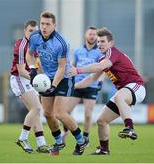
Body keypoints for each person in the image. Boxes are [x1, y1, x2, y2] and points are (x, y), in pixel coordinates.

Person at [69, 27, 146, 155]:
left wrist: (78, 70)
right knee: (101, 121)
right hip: (124, 91)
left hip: (136, 87)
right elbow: (91, 79)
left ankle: (129, 128)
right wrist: (73, 87)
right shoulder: (103, 59)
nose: (99, 44)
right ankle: (104, 150)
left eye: (103, 41)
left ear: (111, 43)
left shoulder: (112, 52)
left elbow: (99, 67)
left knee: (118, 97)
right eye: (98, 42)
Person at [26, 11, 88, 155]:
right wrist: (33, 69)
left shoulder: (62, 43)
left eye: (48, 24)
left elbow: (61, 67)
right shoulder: (35, 37)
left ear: (54, 25)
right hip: (47, 78)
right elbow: (30, 54)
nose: (44, 27)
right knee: (47, 113)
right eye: (42, 23)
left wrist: (53, 86)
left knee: (60, 113)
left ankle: (81, 141)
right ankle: (59, 143)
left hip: (64, 78)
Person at [10, 20, 49, 154]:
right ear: (24, 31)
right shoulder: (21, 46)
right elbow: (21, 70)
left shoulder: (37, 45)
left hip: (30, 79)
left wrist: (46, 77)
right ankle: (23, 137)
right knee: (37, 108)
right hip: (20, 79)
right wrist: (37, 79)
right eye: (30, 31)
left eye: (35, 31)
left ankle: (41, 143)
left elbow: (39, 65)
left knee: (35, 112)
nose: (33, 34)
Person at [61, 26, 105, 146]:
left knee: (88, 114)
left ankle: (85, 137)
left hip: (92, 85)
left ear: (96, 37)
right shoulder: (78, 50)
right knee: (65, 111)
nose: (92, 36)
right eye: (90, 34)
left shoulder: (99, 52)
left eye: (94, 34)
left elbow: (102, 69)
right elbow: (73, 66)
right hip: (77, 85)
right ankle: (65, 132)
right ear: (85, 35)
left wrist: (100, 82)